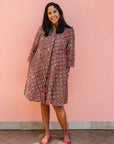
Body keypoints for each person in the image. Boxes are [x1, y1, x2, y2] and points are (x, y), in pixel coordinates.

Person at [24, 2, 75, 144]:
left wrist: (66, 73)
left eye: (54, 12)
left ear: (60, 12)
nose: (52, 15)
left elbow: (70, 55)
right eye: (49, 13)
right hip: (40, 71)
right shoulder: (43, 30)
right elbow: (33, 49)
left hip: (58, 73)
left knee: (58, 105)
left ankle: (65, 133)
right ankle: (47, 133)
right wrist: (31, 68)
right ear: (47, 16)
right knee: (43, 103)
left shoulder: (69, 32)